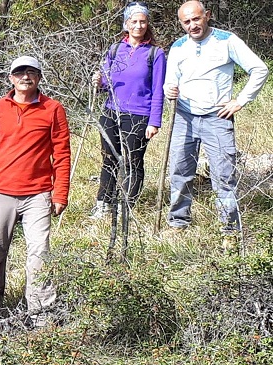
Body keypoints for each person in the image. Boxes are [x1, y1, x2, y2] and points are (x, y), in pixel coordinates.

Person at [163, 0, 268, 236]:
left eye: (196, 19)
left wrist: (240, 101)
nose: (192, 25)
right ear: (181, 24)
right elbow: (170, 81)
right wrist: (169, 89)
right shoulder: (178, 47)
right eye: (186, 22)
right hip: (184, 117)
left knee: (223, 175)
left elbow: (259, 69)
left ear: (207, 16)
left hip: (217, 117)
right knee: (180, 170)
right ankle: (178, 222)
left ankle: (230, 229)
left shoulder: (226, 40)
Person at [0, 56, 71, 313]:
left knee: (39, 255)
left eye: (31, 72)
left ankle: (40, 314)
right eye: (19, 73)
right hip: (1, 191)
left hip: (38, 194)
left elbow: (62, 155)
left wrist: (60, 193)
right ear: (11, 78)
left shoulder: (53, 109)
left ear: (39, 77)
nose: (25, 77)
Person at [89, 3, 166, 219]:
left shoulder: (155, 53)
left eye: (142, 21)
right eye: (134, 21)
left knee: (133, 161)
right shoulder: (115, 50)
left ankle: (126, 205)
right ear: (126, 24)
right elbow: (106, 84)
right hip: (111, 112)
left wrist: (154, 121)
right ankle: (103, 203)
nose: (139, 26)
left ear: (147, 24)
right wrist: (99, 81)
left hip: (139, 115)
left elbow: (158, 89)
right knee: (109, 159)